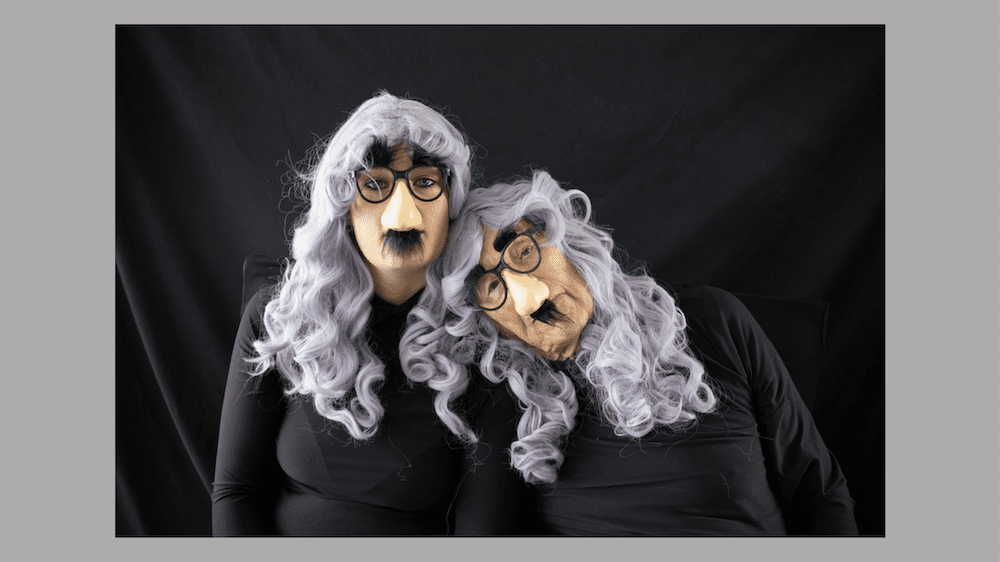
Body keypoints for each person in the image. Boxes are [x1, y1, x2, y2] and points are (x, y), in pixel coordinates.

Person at [425, 170, 858, 535]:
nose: (528, 298)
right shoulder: (512, 405)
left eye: (524, 252)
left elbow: (818, 490)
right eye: (492, 288)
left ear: (564, 239)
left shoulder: (711, 322)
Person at [211, 92, 528, 536]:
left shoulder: (484, 350)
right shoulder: (278, 316)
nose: (402, 214)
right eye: (376, 184)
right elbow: (234, 492)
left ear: (450, 203)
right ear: (344, 205)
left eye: (424, 182)